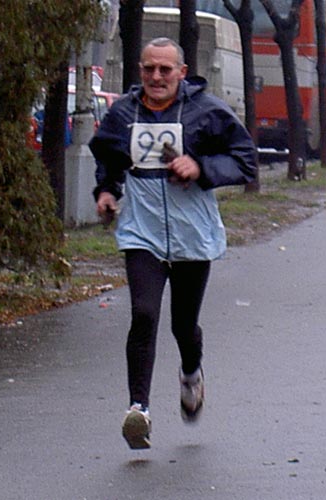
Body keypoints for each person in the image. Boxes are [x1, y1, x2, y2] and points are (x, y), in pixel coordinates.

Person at [90, 37, 257, 450]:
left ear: (182, 72)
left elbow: (245, 160)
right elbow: (109, 156)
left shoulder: (208, 111)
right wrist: (106, 191)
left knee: (183, 324)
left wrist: (200, 166)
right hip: (140, 232)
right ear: (140, 72)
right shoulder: (123, 113)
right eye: (149, 69)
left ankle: (191, 372)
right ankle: (139, 410)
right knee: (144, 313)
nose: (156, 77)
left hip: (191, 234)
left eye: (165, 70)